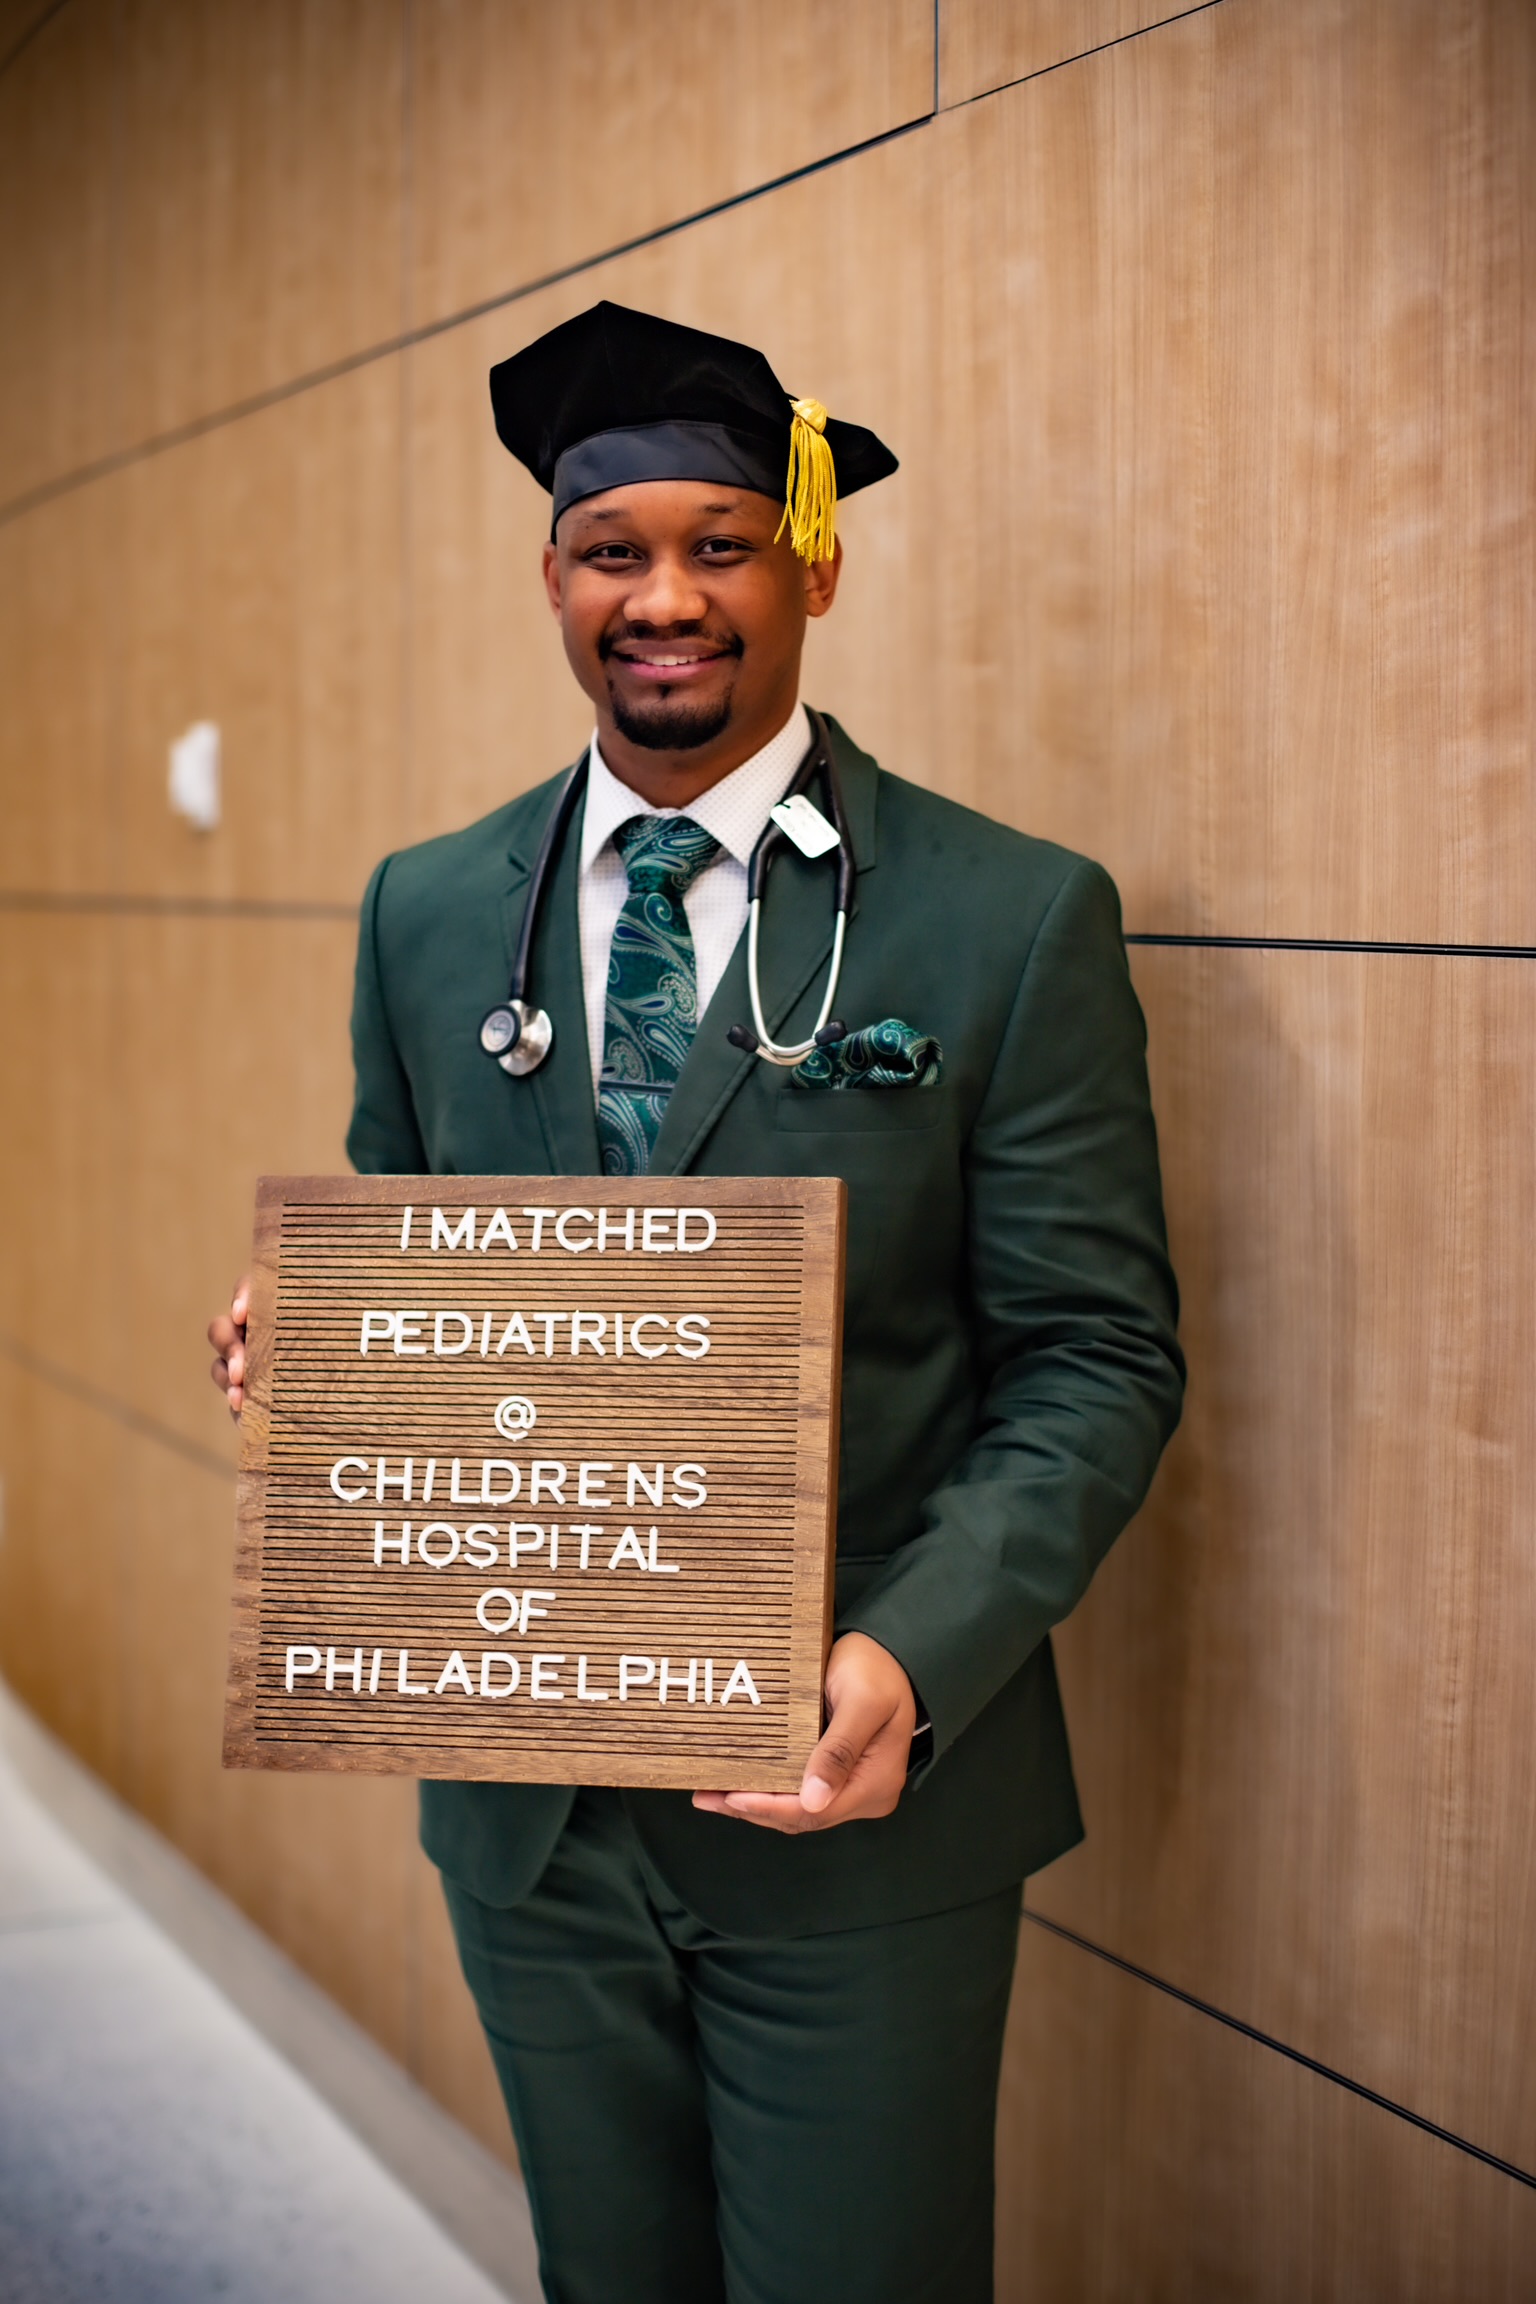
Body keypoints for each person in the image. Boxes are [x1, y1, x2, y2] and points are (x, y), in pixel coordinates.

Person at [210, 300, 1184, 2304]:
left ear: (809, 561)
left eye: (721, 543)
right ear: (551, 577)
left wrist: (914, 1653)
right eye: (613, 550)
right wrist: (317, 1345)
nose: (666, 598)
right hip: (527, 1817)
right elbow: (421, 1228)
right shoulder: (426, 906)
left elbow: (1097, 1359)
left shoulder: (1004, 921)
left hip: (855, 1817)